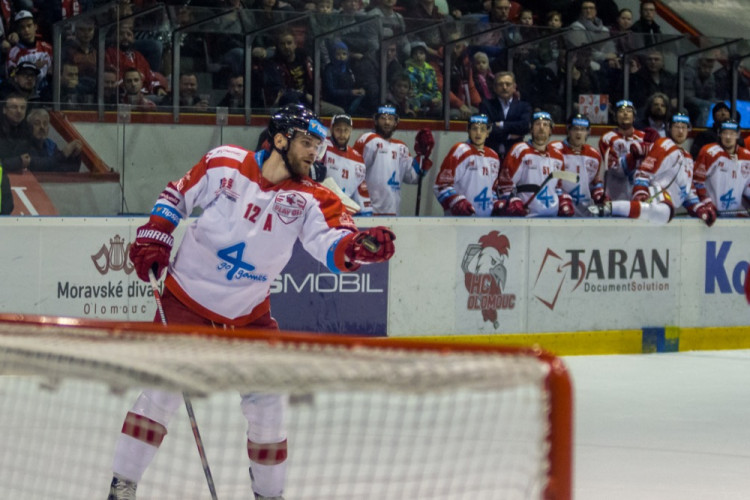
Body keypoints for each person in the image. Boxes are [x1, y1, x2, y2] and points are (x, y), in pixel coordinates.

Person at [107, 104, 396, 500]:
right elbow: (178, 193)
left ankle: (269, 496)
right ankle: (122, 486)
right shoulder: (224, 161)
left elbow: (331, 244)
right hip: (186, 299)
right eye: (308, 143)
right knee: (161, 392)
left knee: (269, 405)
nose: (316, 153)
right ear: (280, 140)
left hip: (248, 315)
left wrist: (358, 248)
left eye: (319, 145)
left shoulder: (315, 197)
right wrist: (158, 230)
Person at [590, 113, 709, 225]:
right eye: (677, 127)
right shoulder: (664, 144)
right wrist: (640, 190)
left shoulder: (687, 156)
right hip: (657, 194)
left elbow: (687, 190)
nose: (680, 131)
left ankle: (611, 208)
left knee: (664, 214)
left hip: (669, 207)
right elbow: (644, 171)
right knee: (664, 212)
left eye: (684, 127)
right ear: (669, 128)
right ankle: (610, 208)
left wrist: (699, 208)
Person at [353, 104, 433, 215]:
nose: (387, 122)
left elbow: (413, 178)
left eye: (390, 119)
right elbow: (354, 172)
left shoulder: (401, 147)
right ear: (375, 120)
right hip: (369, 212)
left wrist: (423, 157)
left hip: (393, 213)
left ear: (396, 122)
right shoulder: (368, 140)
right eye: (383, 118)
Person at [497, 111, 572, 217]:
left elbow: (558, 187)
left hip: (553, 217)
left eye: (546, 125)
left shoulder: (558, 156)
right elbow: (505, 184)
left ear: (550, 130)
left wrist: (563, 201)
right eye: (537, 124)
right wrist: (511, 202)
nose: (541, 128)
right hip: (527, 217)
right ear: (531, 128)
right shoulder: (520, 150)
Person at [433, 114, 503, 216]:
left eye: (483, 129)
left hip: (485, 221)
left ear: (488, 133)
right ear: (468, 130)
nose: (478, 133)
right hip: (459, 221)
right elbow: (441, 185)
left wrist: (499, 205)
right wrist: (456, 201)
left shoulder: (494, 156)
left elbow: (491, 191)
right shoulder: (460, 150)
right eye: (474, 128)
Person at [549, 114, 606, 216]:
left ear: (589, 132)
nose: (579, 133)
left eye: (583, 129)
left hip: (586, 212)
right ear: (568, 130)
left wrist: (599, 191)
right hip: (560, 209)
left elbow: (593, 181)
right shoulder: (553, 149)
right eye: (575, 129)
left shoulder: (594, 155)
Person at [693, 120, 750, 217]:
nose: (728, 137)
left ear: (738, 135)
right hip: (712, 214)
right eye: (725, 133)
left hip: (736, 215)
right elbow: (697, 182)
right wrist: (706, 203)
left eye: (732, 133)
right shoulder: (709, 152)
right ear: (720, 134)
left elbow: (747, 186)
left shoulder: (746, 156)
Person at [319, 114, 372, 215]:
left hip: (345, 213)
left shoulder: (358, 159)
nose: (342, 134)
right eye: (338, 129)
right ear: (331, 129)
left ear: (351, 131)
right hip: (321, 209)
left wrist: (365, 214)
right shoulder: (321, 146)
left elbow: (360, 196)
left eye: (346, 130)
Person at [598, 99, 647, 201]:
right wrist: (633, 157)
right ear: (615, 117)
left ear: (634, 117)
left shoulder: (644, 137)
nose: (625, 113)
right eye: (621, 111)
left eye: (629, 111)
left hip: (639, 193)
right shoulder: (607, 138)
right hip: (615, 195)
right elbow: (616, 168)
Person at [478, 71, 532, 159]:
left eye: (508, 84)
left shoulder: (523, 106)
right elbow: (486, 128)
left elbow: (525, 126)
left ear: (514, 87)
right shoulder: (486, 105)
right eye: (500, 84)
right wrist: (509, 135)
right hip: (490, 155)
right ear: (495, 88)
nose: (504, 87)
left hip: (515, 156)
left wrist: (501, 125)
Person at [6, 10, 53, 96]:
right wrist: (33, 67)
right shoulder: (13, 52)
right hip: (22, 95)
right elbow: (11, 75)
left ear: (35, 27)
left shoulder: (48, 48)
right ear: (18, 30)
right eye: (22, 27)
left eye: (29, 25)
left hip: (47, 93)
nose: (26, 30)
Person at [26, 108, 82, 172]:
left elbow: (71, 169)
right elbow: (37, 166)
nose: (42, 127)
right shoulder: (22, 144)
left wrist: (75, 155)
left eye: (45, 123)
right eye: (37, 123)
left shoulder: (50, 145)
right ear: (29, 127)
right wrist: (63, 154)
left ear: (48, 128)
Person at [404, 41, 441, 118]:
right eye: (415, 54)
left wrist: (438, 97)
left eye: (421, 53)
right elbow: (414, 93)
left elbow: (435, 88)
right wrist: (431, 100)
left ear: (425, 55)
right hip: (416, 104)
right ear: (412, 56)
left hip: (431, 102)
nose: (418, 56)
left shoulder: (431, 69)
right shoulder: (409, 71)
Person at [0, 93, 33, 173]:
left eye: (22, 108)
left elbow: (33, 157)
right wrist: (18, 162)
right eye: (14, 107)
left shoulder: (28, 129)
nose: (19, 111)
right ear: (4, 109)